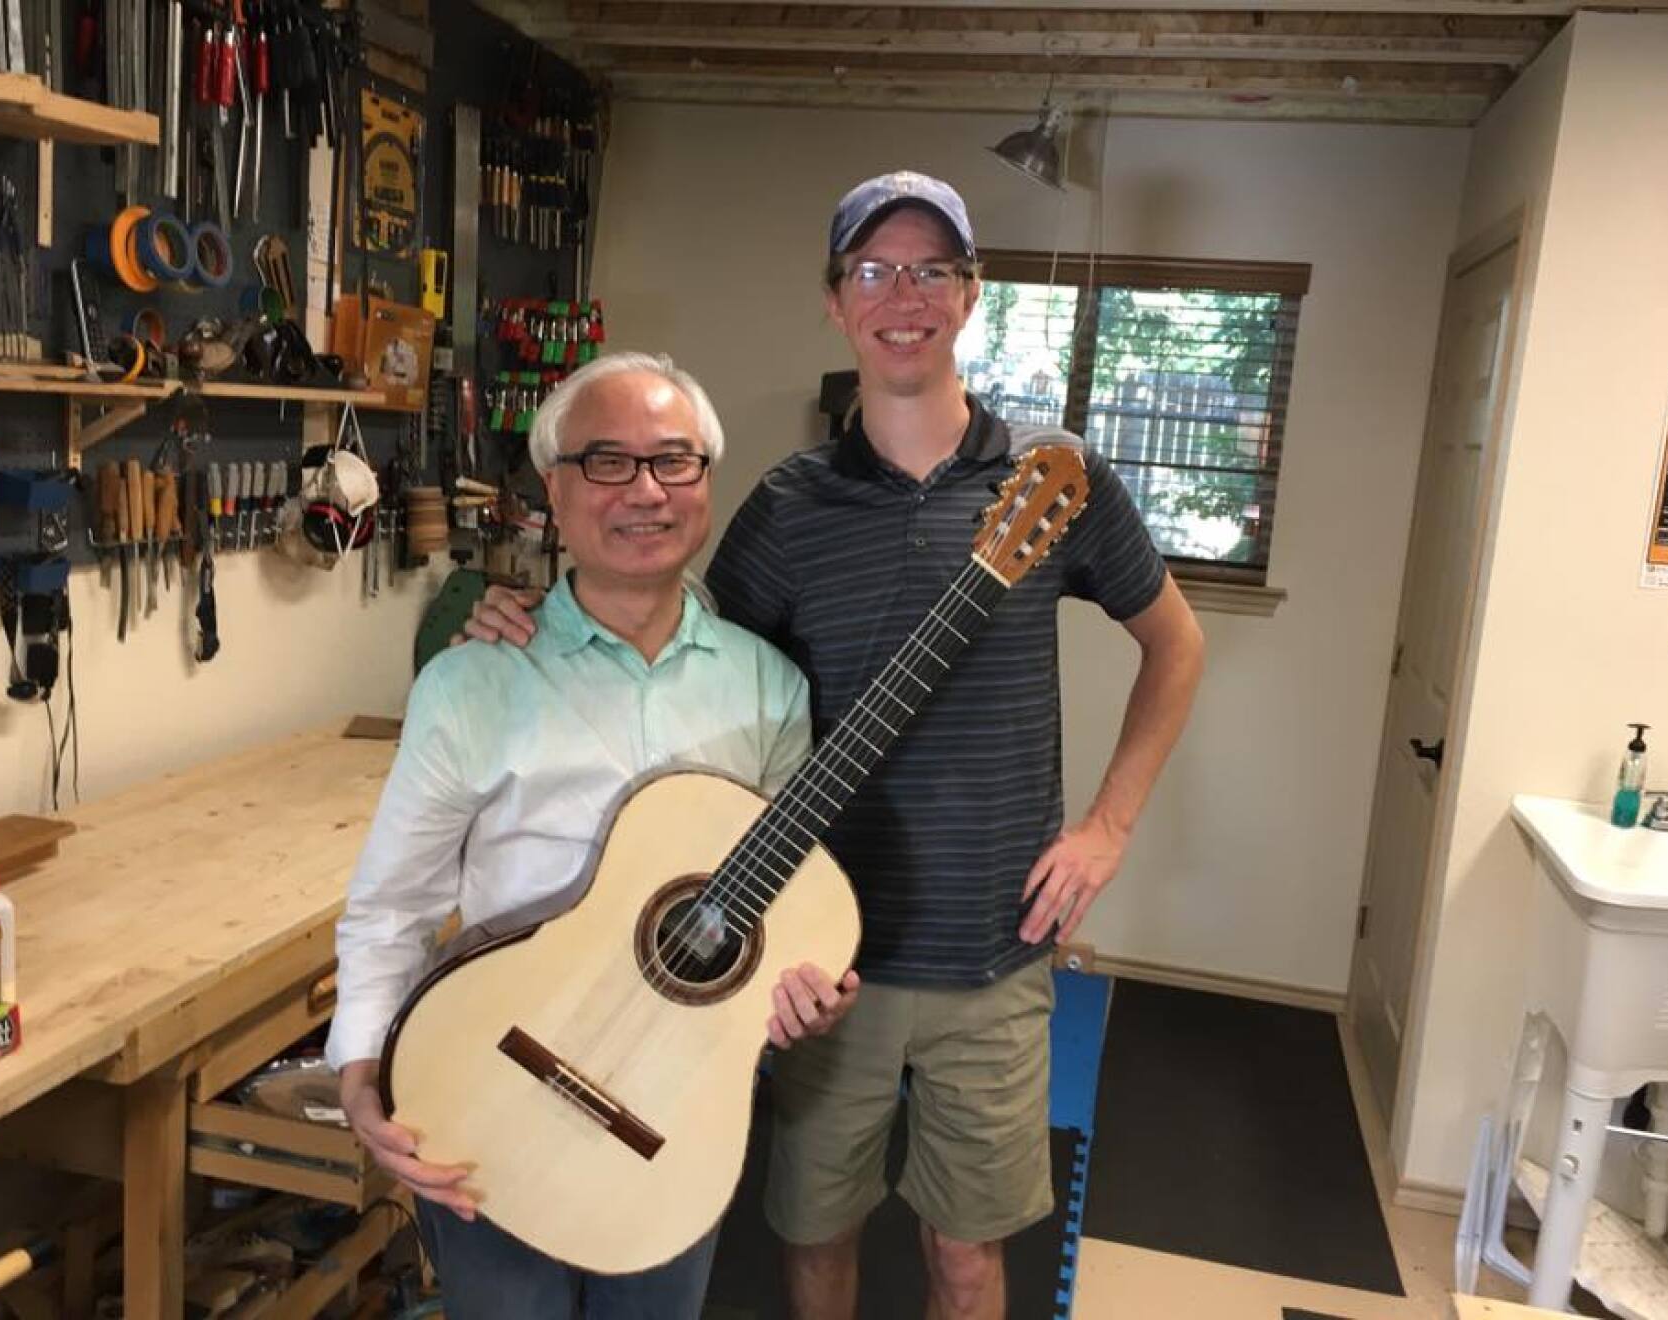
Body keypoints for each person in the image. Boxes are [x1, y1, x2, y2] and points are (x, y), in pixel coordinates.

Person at [459, 172, 1206, 1320]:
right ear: (834, 301)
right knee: (814, 1240)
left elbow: (1175, 647)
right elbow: (681, 659)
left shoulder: (1048, 485)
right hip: (808, 961)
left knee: (966, 1257)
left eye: (929, 270)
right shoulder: (786, 504)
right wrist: (528, 618)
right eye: (872, 270)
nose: (900, 296)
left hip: (994, 951)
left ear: (969, 294)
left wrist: (1106, 829)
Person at [327, 352, 860, 1320]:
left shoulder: (766, 687)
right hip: (495, 1084)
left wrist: (806, 991)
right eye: (606, 462)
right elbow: (392, 907)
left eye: (674, 462)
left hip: (676, 1112)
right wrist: (362, 1078)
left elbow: (785, 911)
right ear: (553, 492)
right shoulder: (472, 679)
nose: (645, 491)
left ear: (706, 482)